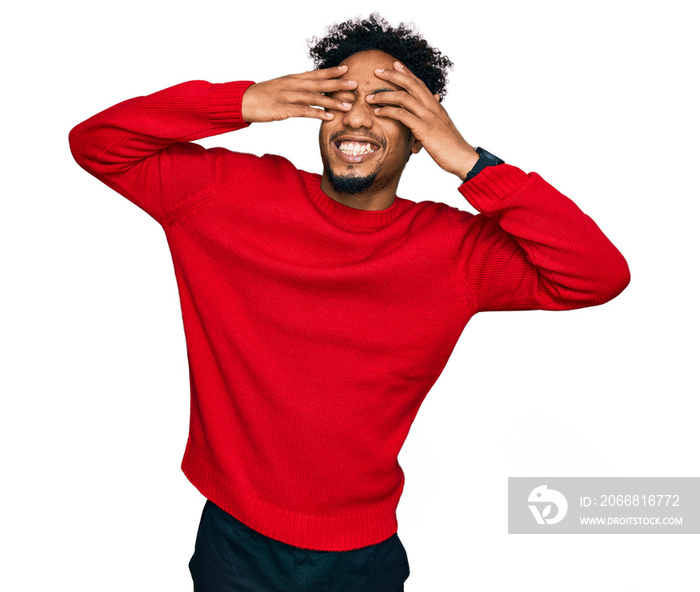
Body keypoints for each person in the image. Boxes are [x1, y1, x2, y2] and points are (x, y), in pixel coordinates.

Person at [69, 13, 629, 592]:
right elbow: (99, 143)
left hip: (363, 554)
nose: (357, 117)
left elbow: (595, 275)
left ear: (421, 136)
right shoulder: (222, 196)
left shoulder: (455, 251)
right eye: (340, 99)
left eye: (388, 105)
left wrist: (469, 160)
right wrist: (243, 101)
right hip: (235, 538)